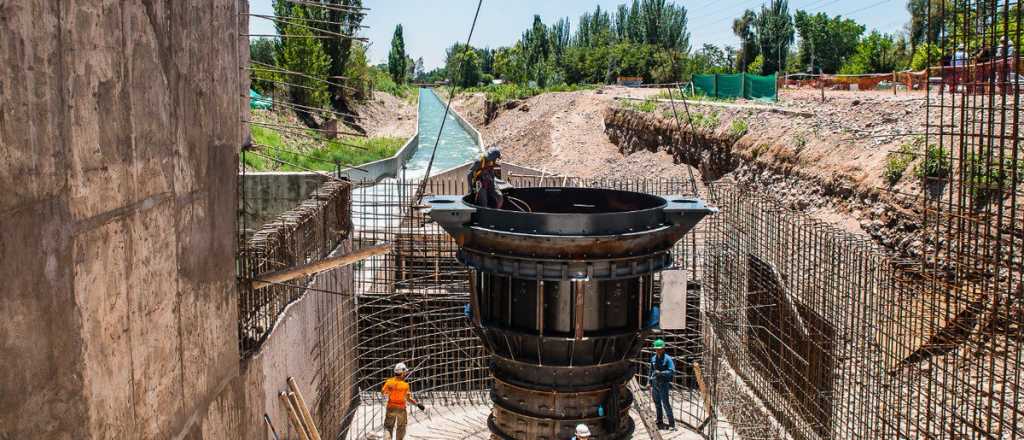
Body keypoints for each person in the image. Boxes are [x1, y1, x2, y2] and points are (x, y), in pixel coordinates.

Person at [381, 362, 425, 440]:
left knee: (388, 427)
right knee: (401, 427)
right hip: (401, 409)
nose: (405, 374)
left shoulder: (389, 382)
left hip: (391, 407)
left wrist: (390, 391)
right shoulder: (405, 385)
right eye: (404, 373)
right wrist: (418, 404)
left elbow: (383, 392)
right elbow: (408, 399)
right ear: (402, 373)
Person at [648, 339, 676, 431]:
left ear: (663, 348)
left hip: (663, 384)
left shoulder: (668, 359)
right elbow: (651, 371)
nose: (658, 350)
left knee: (666, 404)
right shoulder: (653, 358)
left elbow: (672, 371)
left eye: (659, 349)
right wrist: (649, 382)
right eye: (656, 349)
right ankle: (659, 420)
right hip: (655, 384)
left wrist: (661, 373)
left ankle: (672, 424)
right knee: (657, 403)